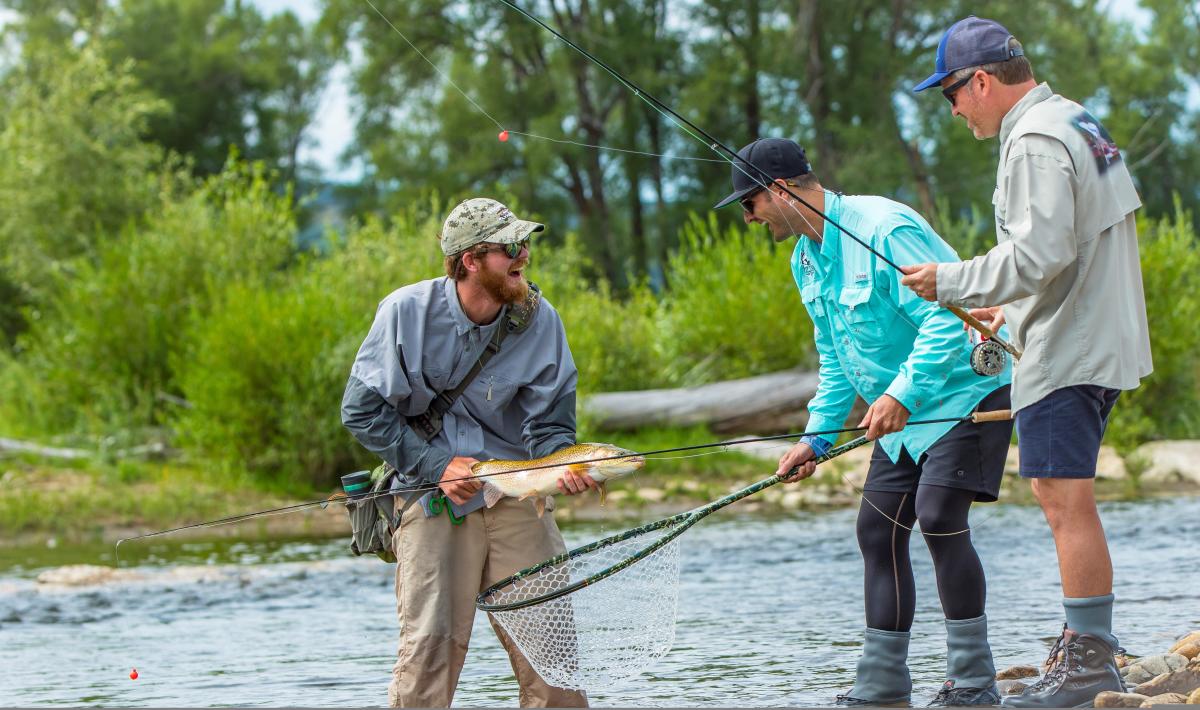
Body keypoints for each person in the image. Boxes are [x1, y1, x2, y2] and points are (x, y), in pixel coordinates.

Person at [904, 16, 1153, 708]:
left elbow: (1040, 255)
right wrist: (1006, 313)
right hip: (1092, 335)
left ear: (980, 81)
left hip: (1070, 350)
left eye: (950, 94)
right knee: (1063, 497)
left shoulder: (1035, 142)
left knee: (1061, 500)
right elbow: (1072, 249)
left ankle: (1089, 665)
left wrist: (950, 283)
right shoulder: (1076, 121)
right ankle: (1087, 649)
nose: (952, 111)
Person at [715, 137, 1013, 706]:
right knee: (877, 532)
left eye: (749, 205)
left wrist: (901, 394)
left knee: (937, 515)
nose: (749, 218)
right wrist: (816, 437)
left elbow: (949, 321)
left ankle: (974, 682)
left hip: (964, 391)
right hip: (904, 414)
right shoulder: (804, 258)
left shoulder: (882, 228)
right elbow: (834, 357)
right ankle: (882, 684)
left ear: (778, 191)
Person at [341, 197, 596, 708]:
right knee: (429, 657)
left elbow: (549, 425)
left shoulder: (541, 321)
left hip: (516, 502)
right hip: (433, 503)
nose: (523, 254)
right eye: (508, 248)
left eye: (524, 244)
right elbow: (361, 411)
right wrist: (435, 466)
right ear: (470, 260)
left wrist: (561, 464)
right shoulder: (405, 313)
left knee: (554, 663)